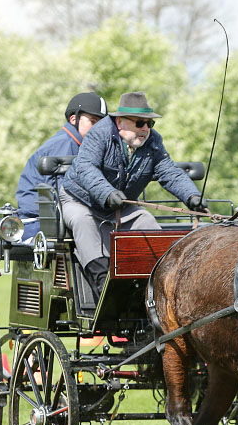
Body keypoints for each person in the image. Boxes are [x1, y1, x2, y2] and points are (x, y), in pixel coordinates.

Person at [60, 91, 208, 294]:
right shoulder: (99, 134)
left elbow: (170, 172)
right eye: (140, 123)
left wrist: (192, 196)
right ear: (120, 122)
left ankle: (156, 287)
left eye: (149, 124)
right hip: (79, 200)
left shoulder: (153, 142)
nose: (146, 129)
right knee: (82, 221)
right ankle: (104, 287)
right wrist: (107, 193)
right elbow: (86, 168)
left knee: (146, 222)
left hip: (120, 204)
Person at [14, 92, 108, 241]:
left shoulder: (76, 144)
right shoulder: (65, 144)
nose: (98, 128)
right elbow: (65, 193)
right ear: (73, 119)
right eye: (93, 121)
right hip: (39, 223)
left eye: (102, 124)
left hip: (50, 218)